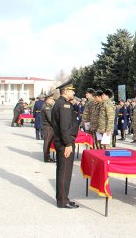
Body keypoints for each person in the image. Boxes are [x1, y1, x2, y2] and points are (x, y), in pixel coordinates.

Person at [51, 80, 79, 209]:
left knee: (64, 171)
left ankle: (64, 198)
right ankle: (62, 201)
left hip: (62, 141)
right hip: (64, 143)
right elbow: (64, 127)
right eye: (72, 90)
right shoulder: (64, 105)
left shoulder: (60, 103)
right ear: (66, 91)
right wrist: (68, 143)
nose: (74, 92)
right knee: (64, 172)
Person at [41, 93, 55, 163]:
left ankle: (47, 156)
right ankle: (46, 157)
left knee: (48, 142)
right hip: (48, 127)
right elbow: (50, 119)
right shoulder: (47, 107)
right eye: (52, 99)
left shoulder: (48, 106)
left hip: (48, 127)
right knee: (47, 142)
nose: (53, 100)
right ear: (48, 100)